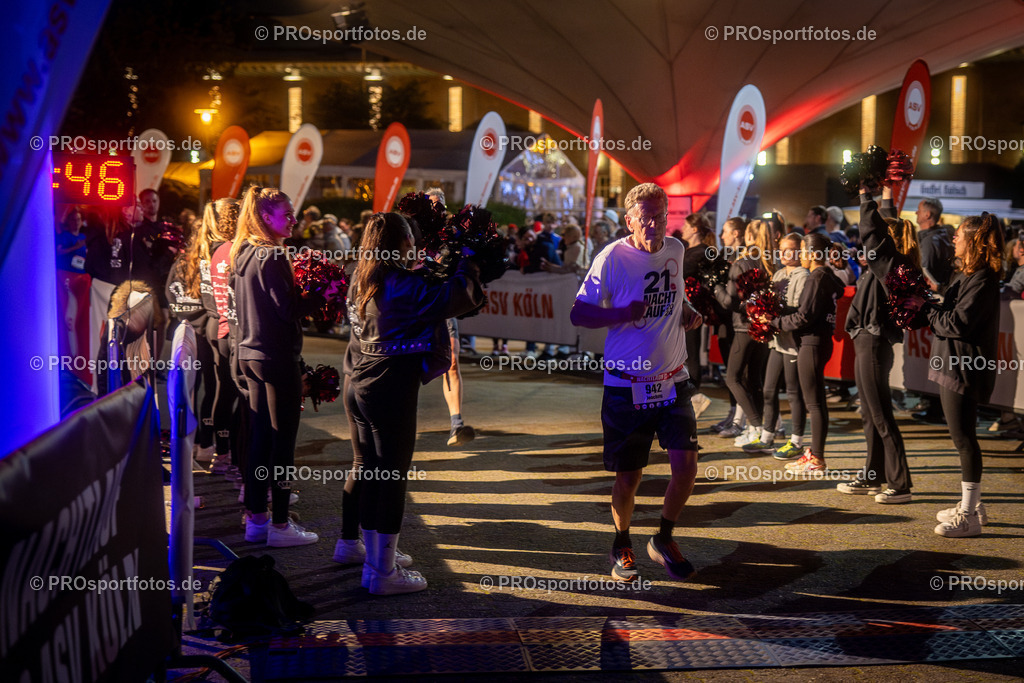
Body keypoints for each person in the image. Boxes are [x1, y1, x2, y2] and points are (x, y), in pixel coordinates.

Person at [570, 182, 703, 583]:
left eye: (660, 218)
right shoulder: (612, 257)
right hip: (627, 384)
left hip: (673, 379)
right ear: (629, 220)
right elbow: (580, 314)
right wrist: (622, 313)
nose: (654, 226)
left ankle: (663, 538)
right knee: (629, 476)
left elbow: (675, 296)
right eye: (645, 219)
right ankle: (622, 543)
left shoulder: (676, 251)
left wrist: (688, 310)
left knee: (686, 467)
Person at [347, 212, 484, 594]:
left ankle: (377, 565)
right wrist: (468, 258)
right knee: (390, 478)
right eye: (409, 234)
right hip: (389, 387)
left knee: (376, 475)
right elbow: (453, 298)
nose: (414, 240)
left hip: (364, 383)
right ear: (398, 241)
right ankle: (382, 572)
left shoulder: (366, 276)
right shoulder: (397, 281)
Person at [233, 186, 323, 548]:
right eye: (286, 215)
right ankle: (281, 525)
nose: (294, 220)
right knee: (282, 443)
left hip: (250, 354)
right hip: (274, 357)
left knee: (260, 439)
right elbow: (287, 310)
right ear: (265, 217)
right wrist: (322, 293)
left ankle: (257, 519)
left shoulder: (243, 253)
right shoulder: (270, 256)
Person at [909, 214, 1002, 537]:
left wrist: (926, 306)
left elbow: (957, 324)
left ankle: (969, 515)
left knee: (964, 439)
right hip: (953, 363)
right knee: (960, 437)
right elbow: (948, 315)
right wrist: (926, 304)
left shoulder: (984, 278)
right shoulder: (968, 275)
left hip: (965, 366)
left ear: (974, 241)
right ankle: (973, 505)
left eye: (960, 235)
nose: (954, 240)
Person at [838, 184, 919, 502]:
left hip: (873, 342)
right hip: (865, 341)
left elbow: (875, 228)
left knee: (882, 415)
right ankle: (872, 474)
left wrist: (864, 196)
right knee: (869, 414)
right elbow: (884, 221)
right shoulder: (885, 263)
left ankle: (900, 484)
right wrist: (886, 192)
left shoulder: (892, 266)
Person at [765, 233, 845, 472]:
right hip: (817, 342)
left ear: (812, 253)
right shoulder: (828, 275)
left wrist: (774, 322)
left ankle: (817, 457)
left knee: (815, 403)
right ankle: (815, 454)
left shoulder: (817, 277)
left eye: (802, 249)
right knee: (816, 401)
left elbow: (804, 316)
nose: (800, 255)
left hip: (812, 343)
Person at [743, 232, 808, 458]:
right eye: (781, 249)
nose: (784, 254)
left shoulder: (804, 275)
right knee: (769, 390)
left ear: (801, 251)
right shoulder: (779, 272)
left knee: (793, 392)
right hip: (778, 342)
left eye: (790, 249)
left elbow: (800, 310)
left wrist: (773, 313)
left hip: (794, 344)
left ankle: (797, 441)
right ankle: (767, 436)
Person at [714, 219, 778, 447]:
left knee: (733, 378)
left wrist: (716, 287)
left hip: (744, 326)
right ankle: (760, 430)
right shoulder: (771, 260)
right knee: (754, 380)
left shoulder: (742, 262)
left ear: (748, 237)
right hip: (764, 327)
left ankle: (756, 426)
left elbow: (731, 301)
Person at [423, 187, 477, 446]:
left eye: (441, 203)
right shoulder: (412, 232)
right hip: (417, 304)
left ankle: (456, 423)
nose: (438, 207)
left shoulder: (453, 233)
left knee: (452, 362)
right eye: (433, 203)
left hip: (443, 304)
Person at [711, 216, 747, 435]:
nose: (721, 235)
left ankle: (744, 421)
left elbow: (735, 297)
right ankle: (734, 413)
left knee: (741, 374)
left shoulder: (746, 256)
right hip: (726, 320)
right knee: (730, 371)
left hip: (741, 322)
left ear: (736, 233)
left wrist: (716, 287)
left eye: (725, 231)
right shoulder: (726, 256)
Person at [679, 213, 717, 418]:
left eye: (686, 225)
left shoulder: (702, 252)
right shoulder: (689, 250)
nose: (682, 228)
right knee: (684, 354)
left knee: (690, 353)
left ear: (695, 229)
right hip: (683, 308)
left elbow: (679, 272)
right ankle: (691, 398)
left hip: (692, 310)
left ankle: (694, 398)